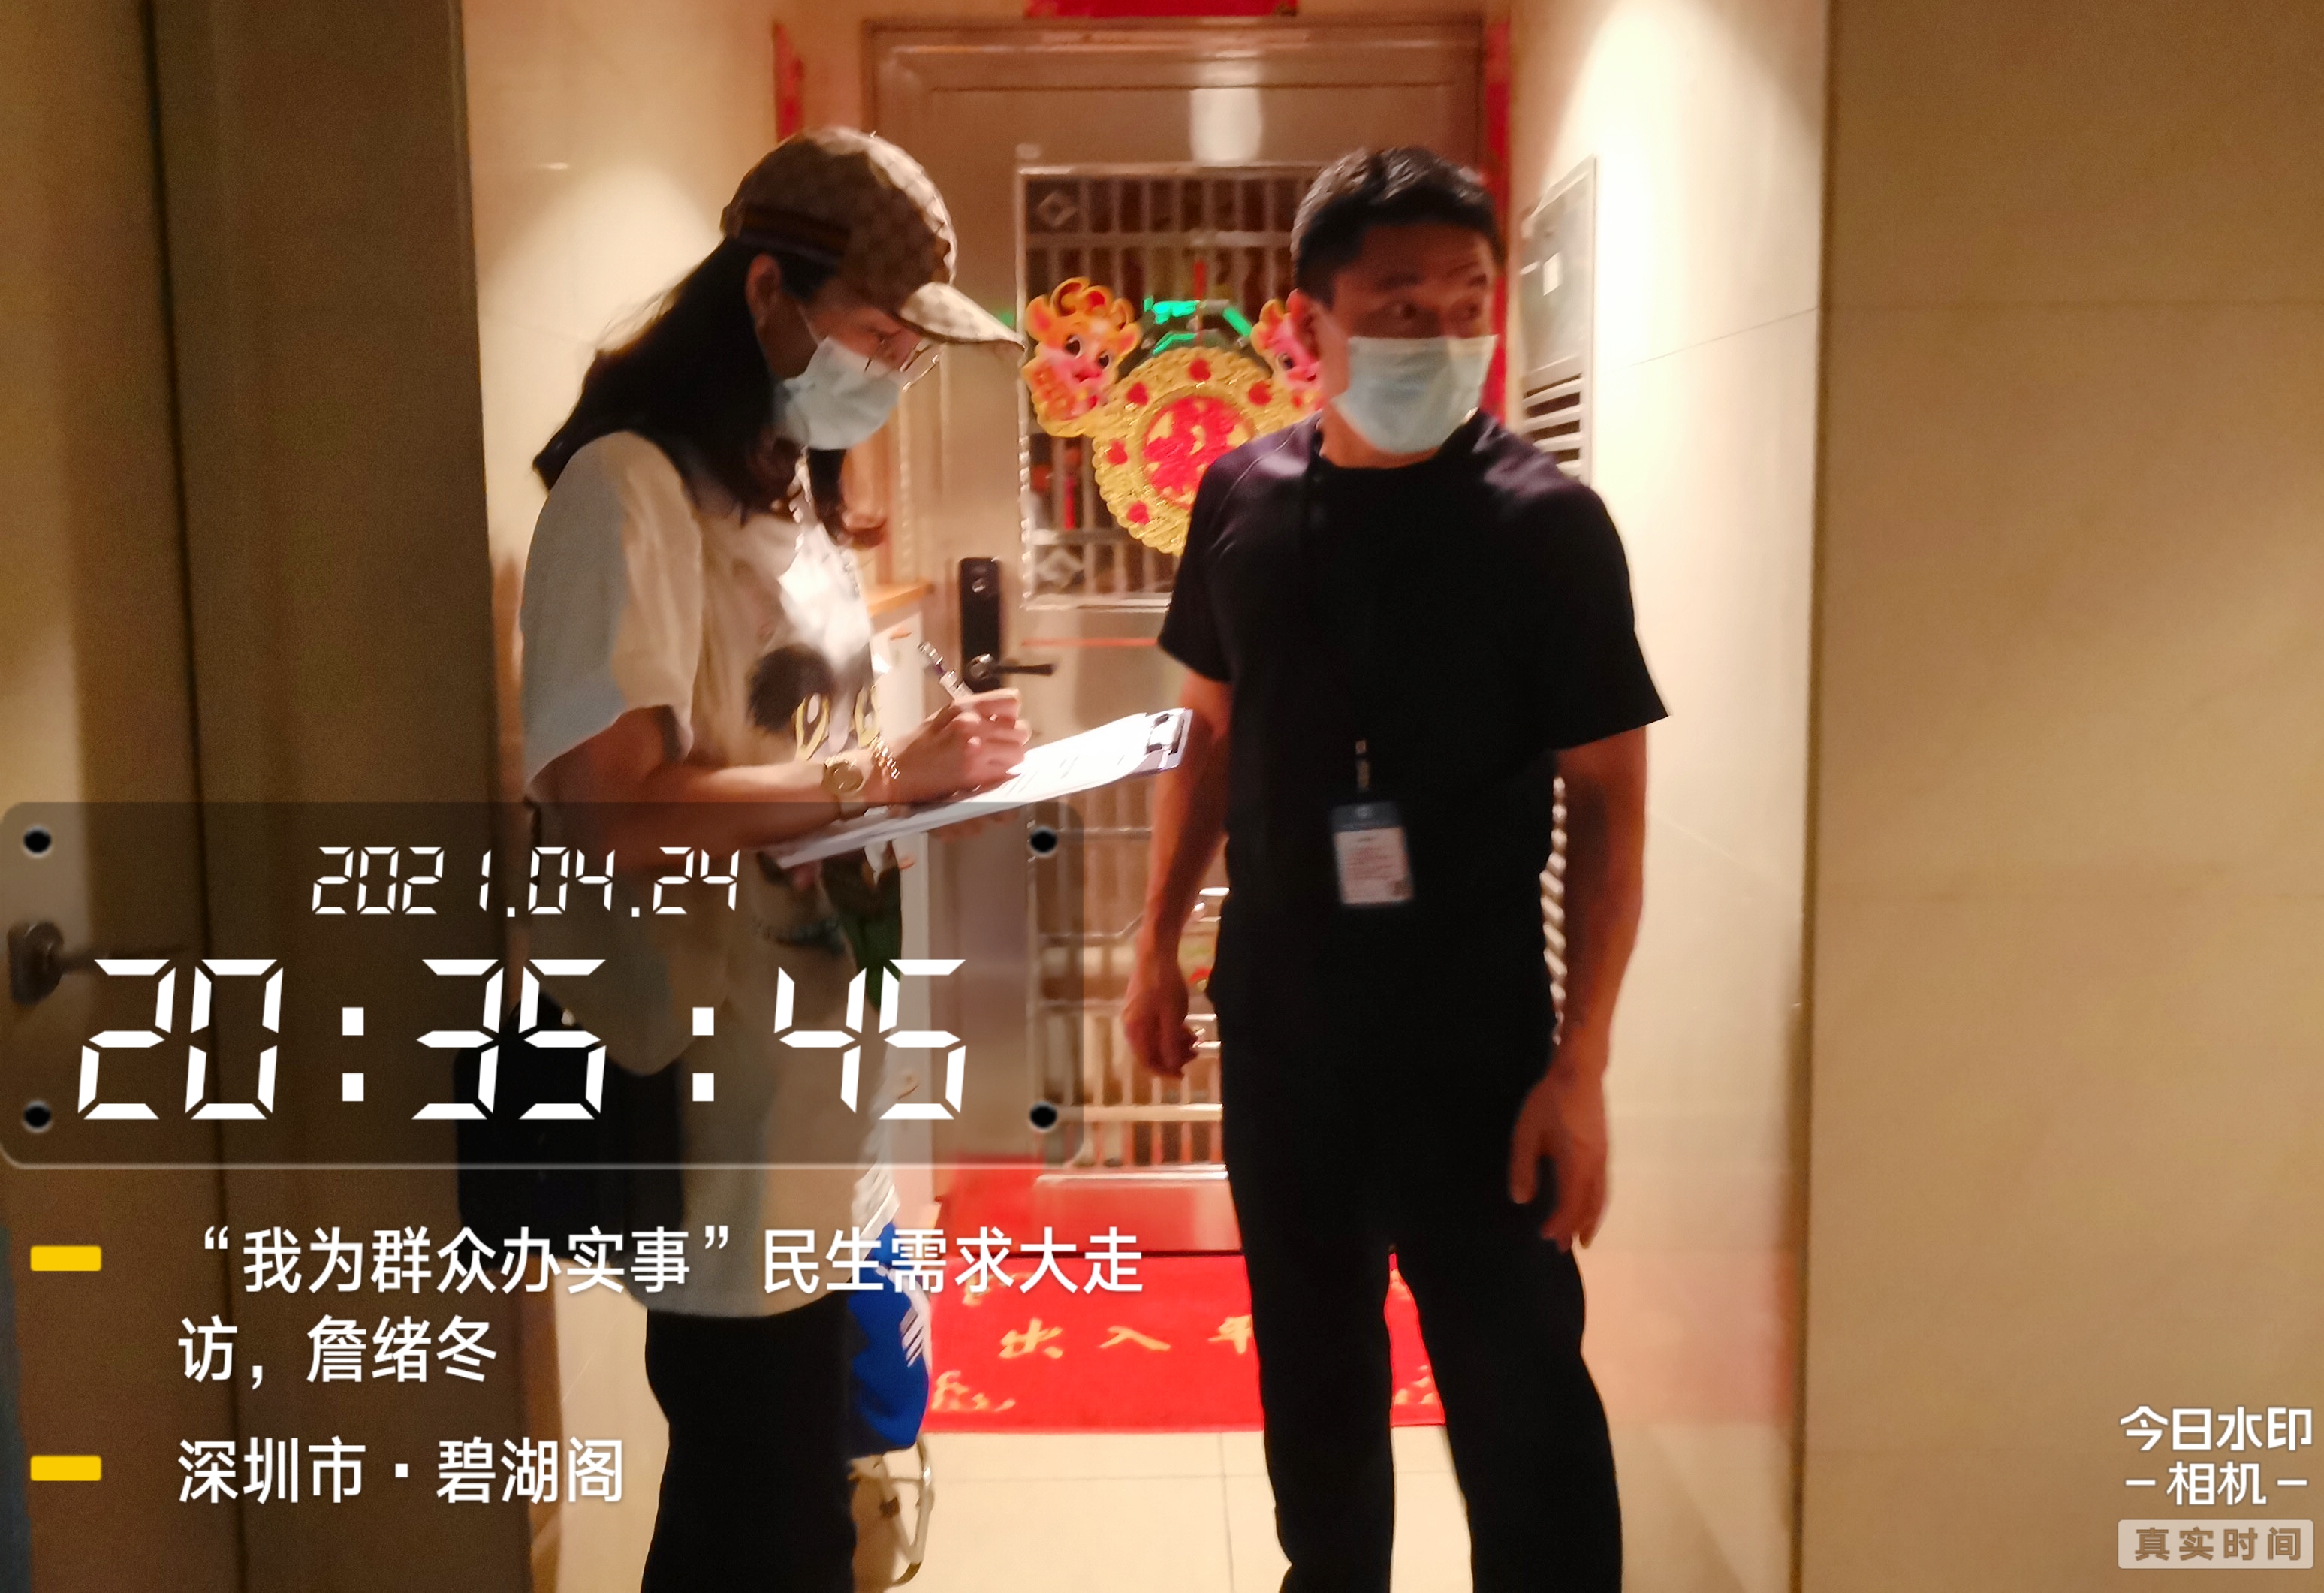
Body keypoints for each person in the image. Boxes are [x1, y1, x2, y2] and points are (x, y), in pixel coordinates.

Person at [1120, 146, 1665, 1591]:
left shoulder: (1546, 524)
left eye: (1468, 298)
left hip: (1476, 1041)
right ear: (1308, 323)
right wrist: (1154, 939)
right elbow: (1205, 735)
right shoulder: (1240, 497)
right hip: (1285, 1027)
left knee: (1520, 1394)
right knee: (1313, 1382)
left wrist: (1583, 1064)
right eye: (1400, 304)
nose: (1443, 330)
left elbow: (1612, 800)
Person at [517, 128, 1029, 1593]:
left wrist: (921, 791)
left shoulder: (784, 489)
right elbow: (613, 806)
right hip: (716, 1091)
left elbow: (785, 769)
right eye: (879, 334)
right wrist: (881, 777)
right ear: (765, 296)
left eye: (911, 349)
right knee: (755, 1510)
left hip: (817, 1065)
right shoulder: (627, 490)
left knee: (789, 1493)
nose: (895, 370)